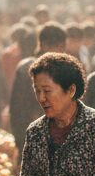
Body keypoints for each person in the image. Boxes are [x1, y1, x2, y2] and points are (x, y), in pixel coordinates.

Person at [10, 22, 68, 153]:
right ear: (42, 45)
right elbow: (17, 109)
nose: (56, 50)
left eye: (59, 46)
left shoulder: (69, 69)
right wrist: (21, 143)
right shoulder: (26, 69)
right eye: (51, 46)